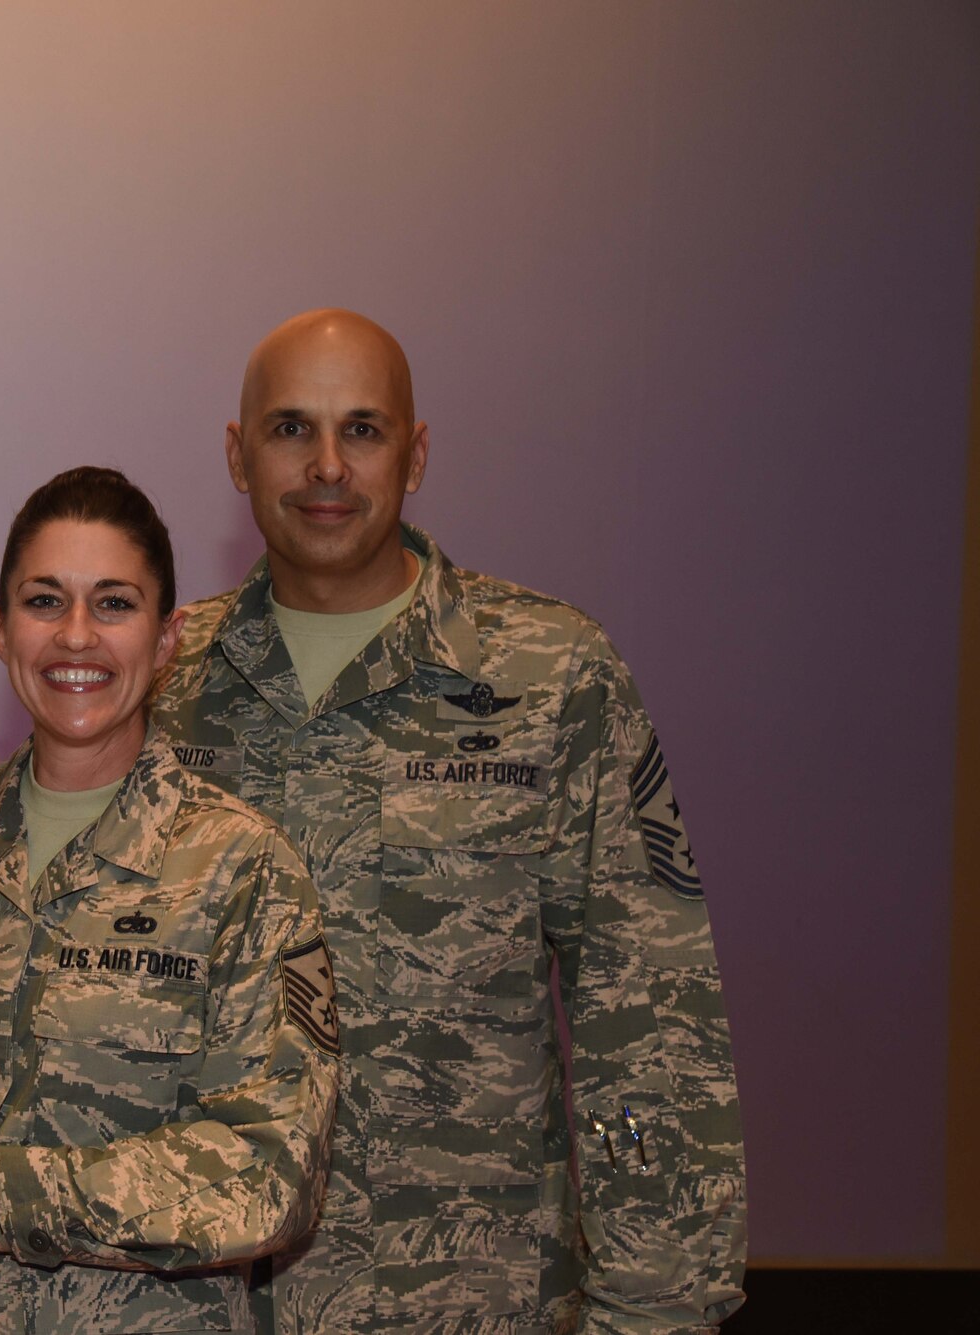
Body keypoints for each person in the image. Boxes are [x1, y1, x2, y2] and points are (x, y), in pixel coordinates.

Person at [151, 310, 747, 1331]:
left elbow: (647, 1021)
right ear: (235, 455)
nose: (326, 466)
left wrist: (656, 1308)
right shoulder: (159, 685)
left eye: (364, 431)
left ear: (415, 453)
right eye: (290, 429)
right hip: (198, 1301)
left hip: (472, 1301)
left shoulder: (551, 676)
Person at [0, 467, 342, 1334]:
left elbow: (272, 1176)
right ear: (1, 633)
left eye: (114, 603)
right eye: (45, 601)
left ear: (168, 639)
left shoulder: (244, 870)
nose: (75, 636)